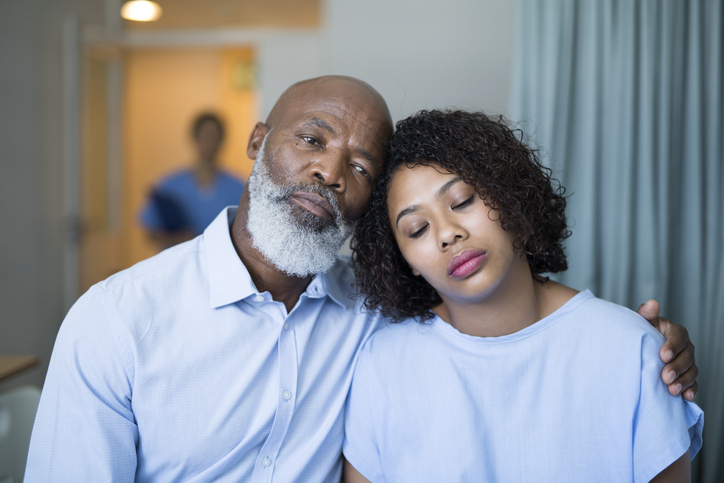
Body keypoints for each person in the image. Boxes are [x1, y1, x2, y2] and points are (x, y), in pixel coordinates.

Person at [26, 78, 697, 482]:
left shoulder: (374, 314)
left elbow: (512, 328)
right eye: (312, 140)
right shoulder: (115, 319)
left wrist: (652, 349)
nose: (329, 171)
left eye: (360, 164)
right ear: (258, 142)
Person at [344, 110, 704, 482]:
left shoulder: (632, 348)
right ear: (406, 261)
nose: (447, 234)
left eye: (463, 200)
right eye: (417, 229)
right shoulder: (383, 364)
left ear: (506, 195)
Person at [139, 112, 245, 248]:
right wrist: (177, 238)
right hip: (179, 262)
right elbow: (150, 230)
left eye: (214, 137)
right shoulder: (169, 185)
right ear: (194, 138)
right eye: (205, 136)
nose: (209, 143)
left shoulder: (238, 187)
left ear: (221, 140)